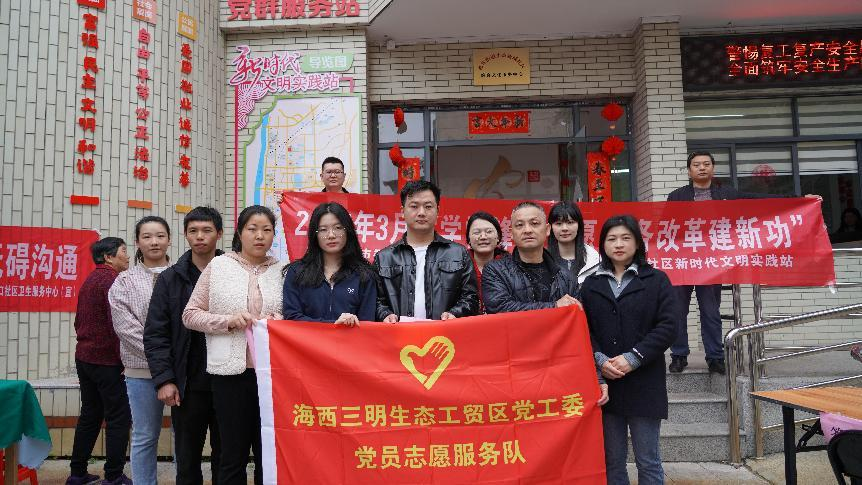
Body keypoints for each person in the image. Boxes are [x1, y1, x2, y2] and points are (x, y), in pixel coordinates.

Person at [666, 150, 820, 375]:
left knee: (710, 312)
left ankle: (715, 357)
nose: (702, 168)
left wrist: (800, 199)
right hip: (683, 263)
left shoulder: (726, 193)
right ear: (689, 171)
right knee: (677, 311)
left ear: (713, 168)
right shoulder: (676, 196)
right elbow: (666, 229)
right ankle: (679, 356)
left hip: (712, 264)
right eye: (696, 165)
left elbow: (759, 201)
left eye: (706, 164)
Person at [183, 205, 286, 485]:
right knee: (232, 453)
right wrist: (227, 321)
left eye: (266, 230)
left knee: (269, 453)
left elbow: (295, 316)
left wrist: (279, 321)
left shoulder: (282, 271)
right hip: (230, 374)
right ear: (240, 233)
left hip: (273, 375)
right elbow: (190, 315)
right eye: (252, 229)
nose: (259, 236)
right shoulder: (219, 266)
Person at [579, 215, 678, 485]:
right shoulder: (591, 284)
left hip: (645, 382)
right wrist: (600, 360)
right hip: (606, 385)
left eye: (626, 238)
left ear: (637, 243)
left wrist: (633, 358)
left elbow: (669, 326)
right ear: (603, 244)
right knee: (612, 461)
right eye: (612, 239)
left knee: (648, 461)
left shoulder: (656, 280)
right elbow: (584, 330)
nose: (619, 244)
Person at [144, 207, 224, 485]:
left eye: (206, 230)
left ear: (219, 233)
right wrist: (164, 379)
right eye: (193, 231)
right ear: (185, 235)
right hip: (187, 385)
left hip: (229, 381)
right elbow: (156, 333)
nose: (199, 236)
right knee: (187, 461)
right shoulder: (171, 278)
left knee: (227, 458)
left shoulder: (233, 272)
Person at [109, 216, 172, 485]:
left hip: (183, 370)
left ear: (169, 239)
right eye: (147, 237)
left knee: (185, 436)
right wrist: (163, 360)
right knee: (145, 435)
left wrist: (175, 361)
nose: (154, 242)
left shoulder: (183, 275)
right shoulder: (124, 282)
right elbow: (127, 330)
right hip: (141, 371)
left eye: (160, 236)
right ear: (137, 242)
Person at [67, 238, 132, 485]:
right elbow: (118, 326)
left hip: (84, 358)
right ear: (108, 256)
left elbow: (78, 321)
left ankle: (77, 473)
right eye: (124, 251)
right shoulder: (112, 281)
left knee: (90, 414)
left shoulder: (91, 279)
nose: (127, 256)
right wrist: (123, 359)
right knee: (119, 417)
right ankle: (114, 476)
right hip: (107, 361)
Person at [373, 180, 478, 322]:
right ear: (402, 211)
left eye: (428, 206)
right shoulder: (384, 258)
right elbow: (375, 300)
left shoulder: (458, 253)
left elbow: (471, 297)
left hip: (444, 333)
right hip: (399, 334)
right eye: (414, 206)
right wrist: (384, 314)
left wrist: (455, 313)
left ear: (438, 211)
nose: (421, 213)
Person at [283, 202, 377, 323]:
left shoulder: (364, 275)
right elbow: (291, 317)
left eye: (338, 228)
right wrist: (334, 325)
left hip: (351, 336)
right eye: (323, 230)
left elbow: (367, 324)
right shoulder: (297, 272)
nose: (331, 235)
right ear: (315, 235)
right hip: (306, 337)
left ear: (348, 231)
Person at [482, 201, 580, 314]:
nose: (527, 230)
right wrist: (554, 306)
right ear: (511, 233)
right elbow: (499, 308)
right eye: (520, 225)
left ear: (547, 229)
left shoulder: (567, 278)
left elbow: (576, 315)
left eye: (534, 223)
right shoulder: (495, 271)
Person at [547, 201, 601, 285]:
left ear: (579, 225)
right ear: (550, 227)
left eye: (570, 222)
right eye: (558, 223)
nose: (564, 228)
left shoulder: (594, 260)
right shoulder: (542, 259)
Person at [465, 211, 509, 313]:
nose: (483, 237)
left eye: (489, 232)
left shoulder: (511, 266)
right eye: (477, 232)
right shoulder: (458, 265)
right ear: (469, 239)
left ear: (498, 237)